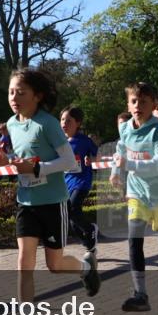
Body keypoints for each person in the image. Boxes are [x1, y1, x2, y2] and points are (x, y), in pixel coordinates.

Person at [0, 68, 100, 315]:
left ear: (37, 96)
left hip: (52, 202)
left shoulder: (48, 123)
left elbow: (68, 162)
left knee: (55, 265)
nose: (14, 97)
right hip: (26, 201)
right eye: (11, 92)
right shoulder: (12, 124)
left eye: (21, 92)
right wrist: (8, 162)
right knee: (23, 261)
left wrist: (37, 169)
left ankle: (86, 267)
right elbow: (22, 159)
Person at [111, 82, 158, 312]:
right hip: (136, 193)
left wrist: (129, 164)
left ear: (153, 105)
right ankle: (140, 294)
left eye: (143, 102)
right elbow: (120, 149)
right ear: (128, 104)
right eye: (134, 101)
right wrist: (116, 171)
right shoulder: (125, 128)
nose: (138, 106)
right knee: (134, 241)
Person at [60, 106, 100, 255]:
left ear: (78, 123)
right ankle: (89, 245)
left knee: (73, 208)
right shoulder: (60, 141)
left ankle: (90, 229)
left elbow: (99, 155)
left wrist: (91, 159)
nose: (64, 123)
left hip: (82, 182)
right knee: (71, 219)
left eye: (68, 120)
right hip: (66, 183)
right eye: (62, 119)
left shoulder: (84, 141)